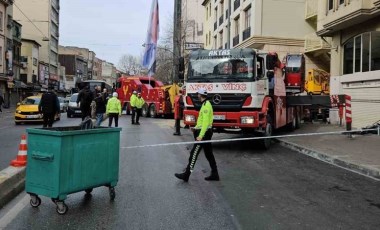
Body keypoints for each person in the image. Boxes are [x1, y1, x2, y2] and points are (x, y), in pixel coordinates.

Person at [175, 88, 219, 182]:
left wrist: (200, 135)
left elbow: (206, 123)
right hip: (203, 132)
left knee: (193, 154)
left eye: (198, 94)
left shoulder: (206, 105)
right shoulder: (204, 104)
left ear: (200, 95)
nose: (197, 95)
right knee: (208, 154)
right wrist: (195, 128)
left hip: (204, 134)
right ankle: (215, 174)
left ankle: (186, 175)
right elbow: (202, 121)